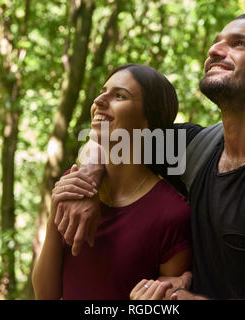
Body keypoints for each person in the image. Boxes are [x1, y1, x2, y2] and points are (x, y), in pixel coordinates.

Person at [51, 13, 245, 299]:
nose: (215, 50)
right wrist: (88, 177)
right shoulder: (192, 147)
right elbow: (110, 135)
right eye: (218, 41)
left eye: (239, 44)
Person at [32, 64, 192, 300]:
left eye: (119, 96)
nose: (99, 100)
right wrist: (55, 216)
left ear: (148, 121)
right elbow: (46, 295)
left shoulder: (173, 214)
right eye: (102, 91)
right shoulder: (75, 183)